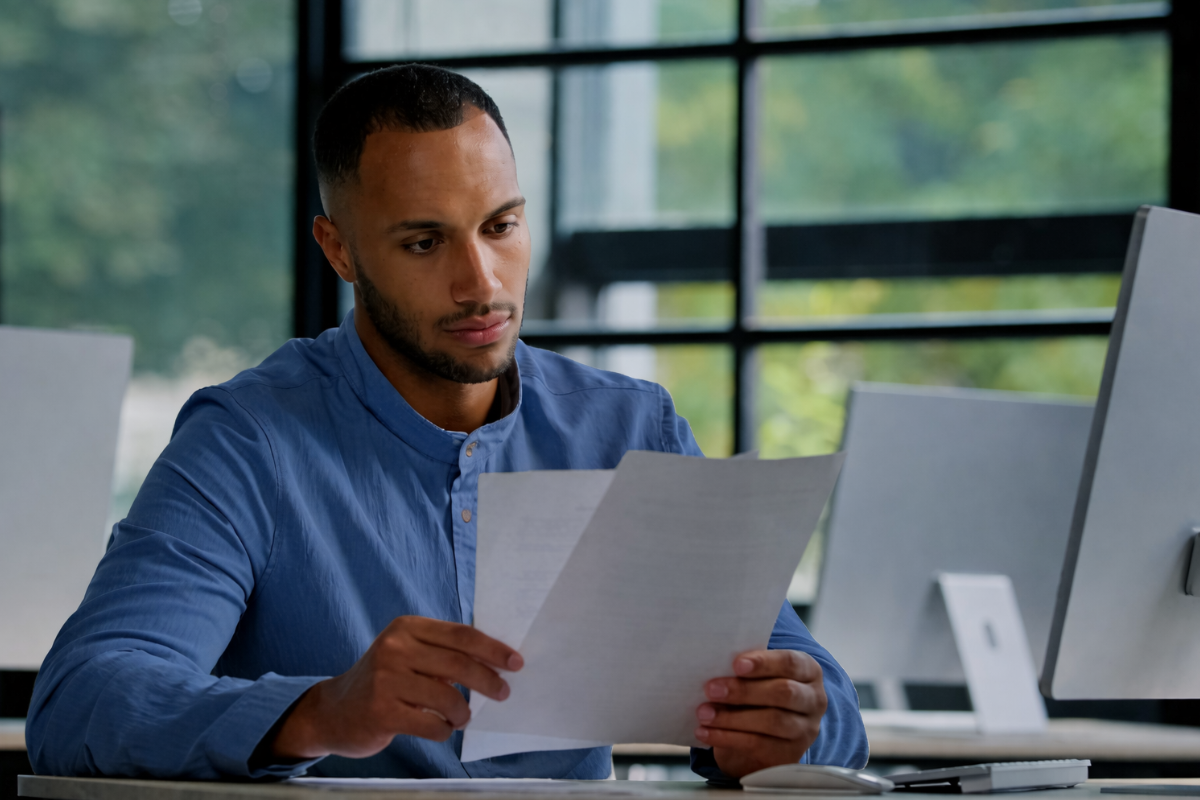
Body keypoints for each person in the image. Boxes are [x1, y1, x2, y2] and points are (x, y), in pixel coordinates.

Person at [27, 65, 868, 782]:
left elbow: (824, 705)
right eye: (425, 243)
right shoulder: (249, 439)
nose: (482, 283)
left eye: (501, 227)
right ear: (339, 250)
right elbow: (82, 700)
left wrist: (790, 724)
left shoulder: (629, 426)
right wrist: (318, 710)